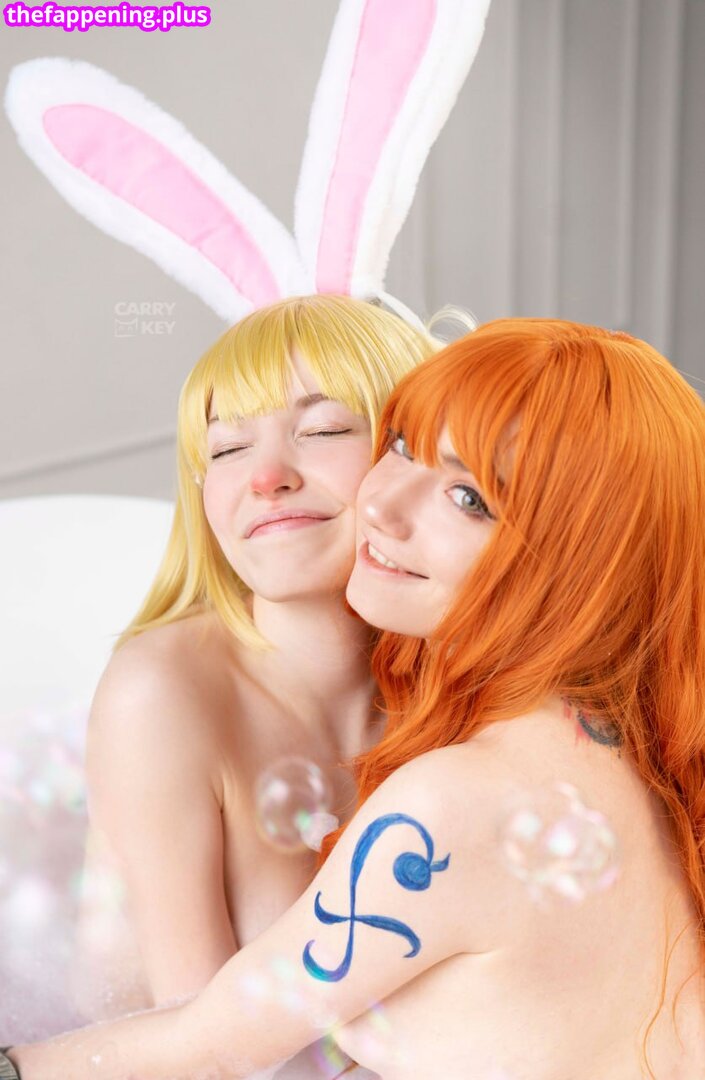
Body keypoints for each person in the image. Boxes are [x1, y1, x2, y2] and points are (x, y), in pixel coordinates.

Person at [6, 318, 705, 1079]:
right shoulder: (625, 748)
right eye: (402, 446)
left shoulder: (452, 799)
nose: (383, 507)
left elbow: (207, 1050)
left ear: (575, 569)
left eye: (467, 497)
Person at [70, 293, 438, 1034]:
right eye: (227, 449)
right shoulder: (160, 693)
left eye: (323, 429)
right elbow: (209, 1050)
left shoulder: (467, 686)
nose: (265, 477)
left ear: (414, 460)